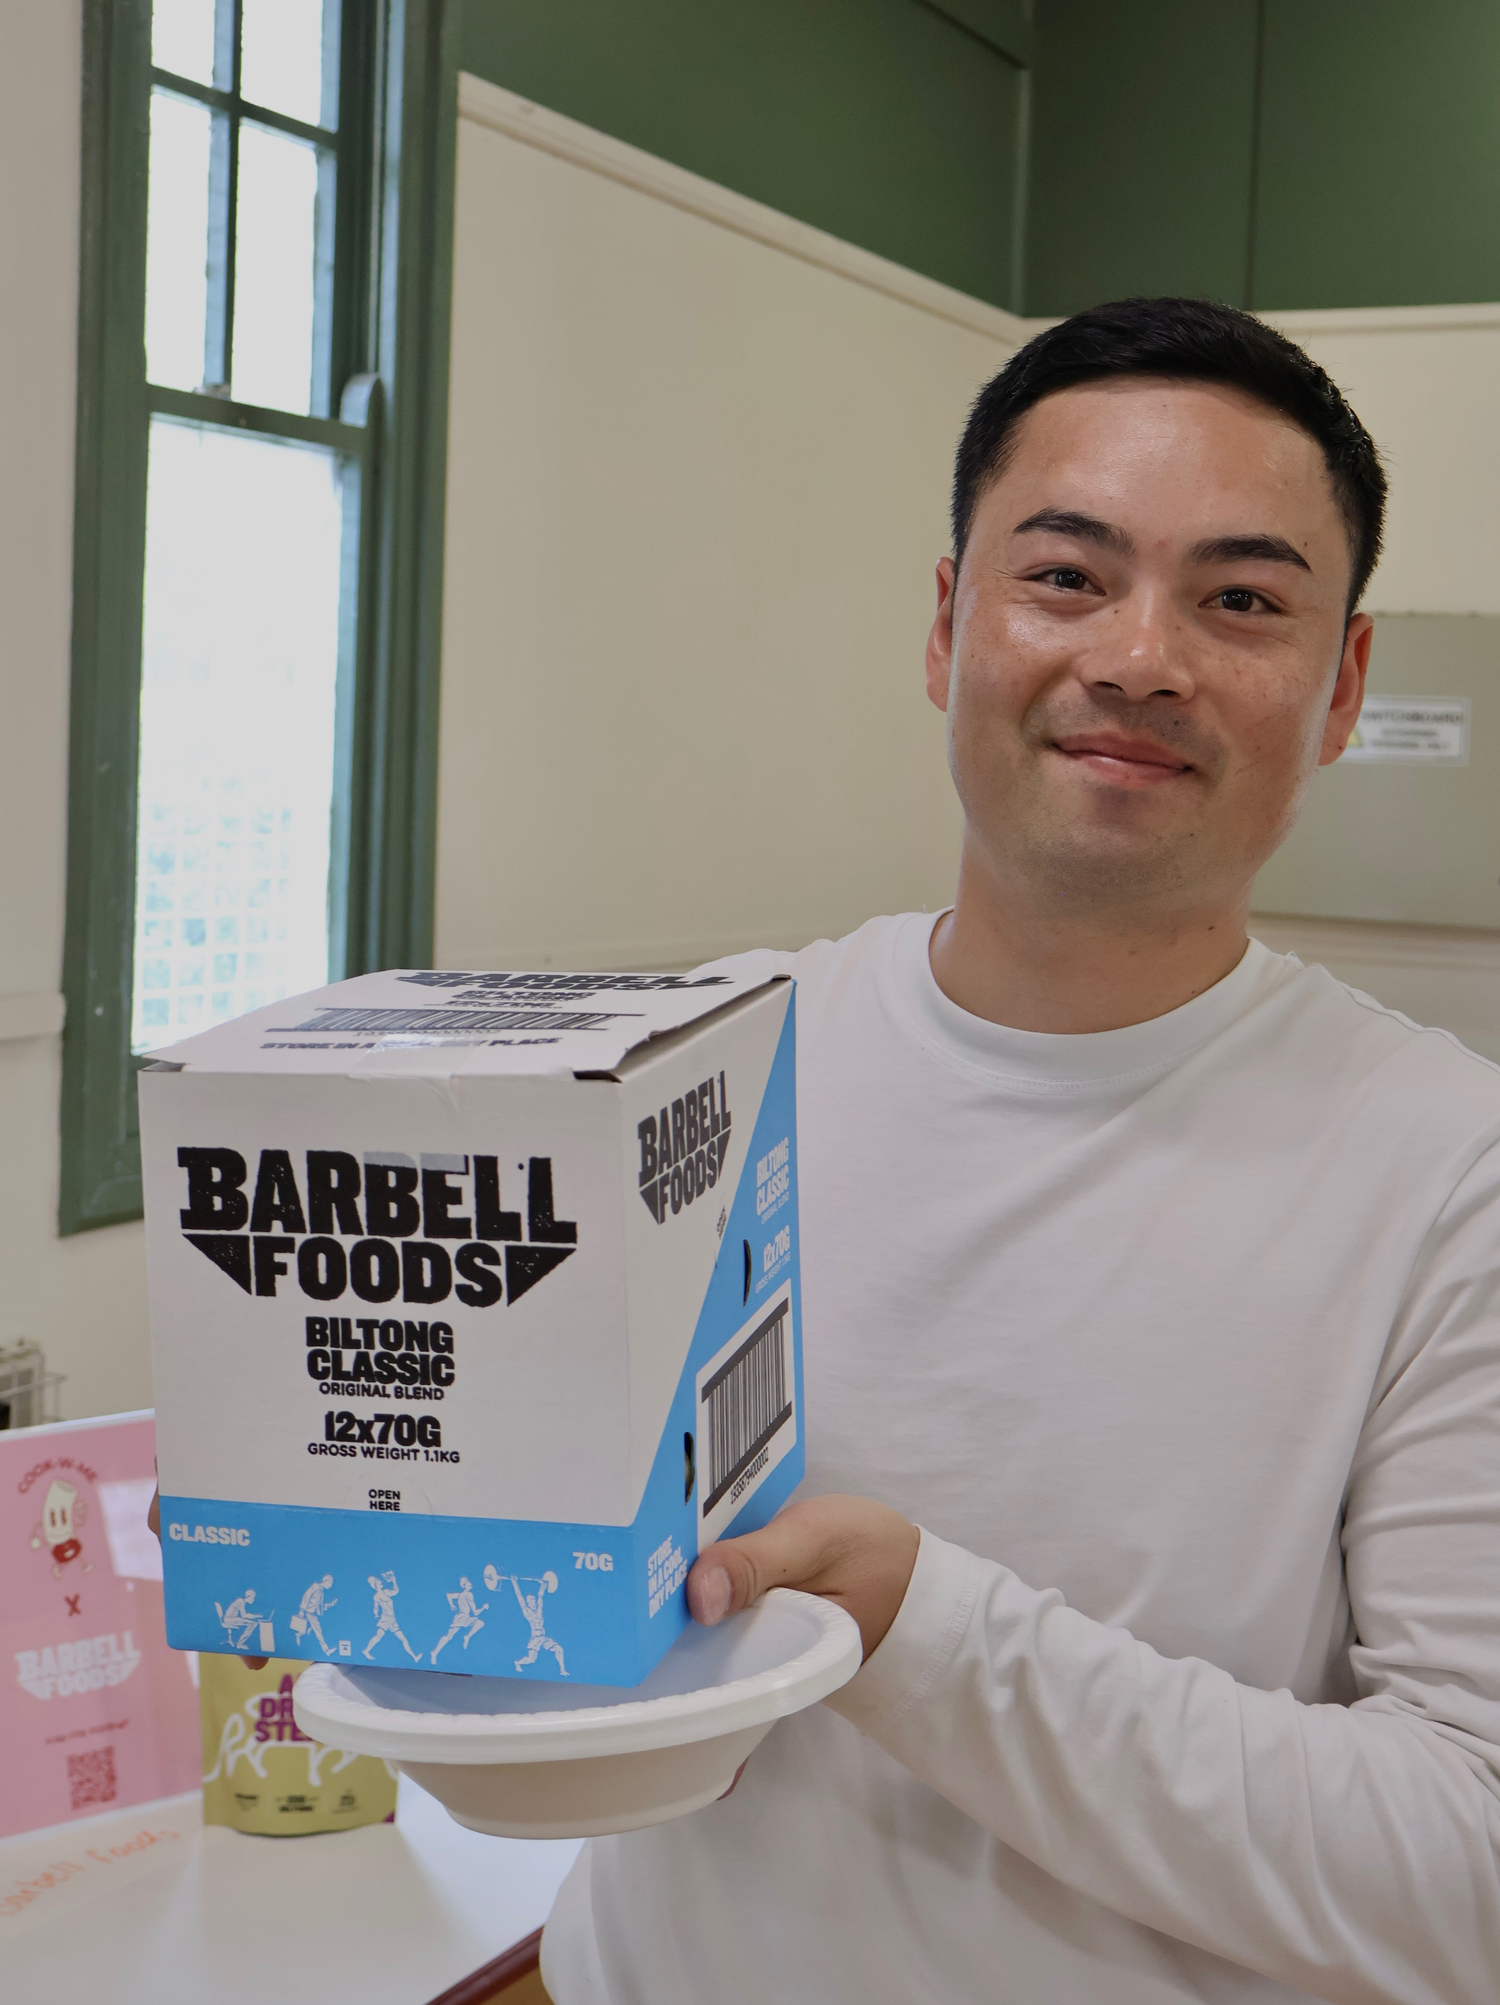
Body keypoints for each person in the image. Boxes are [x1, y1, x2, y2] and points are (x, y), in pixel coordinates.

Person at [541, 299, 1500, 2005]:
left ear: (1344, 685)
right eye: (1066, 575)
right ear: (947, 625)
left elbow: (1468, 1872)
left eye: (1240, 600)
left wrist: (917, 1623)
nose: (1139, 658)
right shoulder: (690, 1072)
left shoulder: (1449, 1175)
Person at [363, 1570, 420, 1662]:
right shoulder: (377, 1596)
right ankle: (366, 1651)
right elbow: (375, 1607)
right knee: (378, 1637)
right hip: (385, 1619)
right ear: (376, 1585)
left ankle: (414, 1657)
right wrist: (376, 1614)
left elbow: (395, 1591)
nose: (381, 1582)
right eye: (378, 1582)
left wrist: (394, 1581)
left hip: (392, 1619)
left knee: (403, 1639)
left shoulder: (386, 1592)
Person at [430, 1575, 488, 1663]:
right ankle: (434, 1652)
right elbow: (475, 1612)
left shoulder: (460, 1594)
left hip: (466, 1617)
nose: (470, 1584)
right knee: (449, 1636)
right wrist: (484, 1607)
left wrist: (452, 1605)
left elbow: (449, 1595)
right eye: (467, 1582)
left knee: (479, 1623)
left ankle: (467, 1637)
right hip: (461, 1617)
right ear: (464, 1585)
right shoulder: (468, 1594)